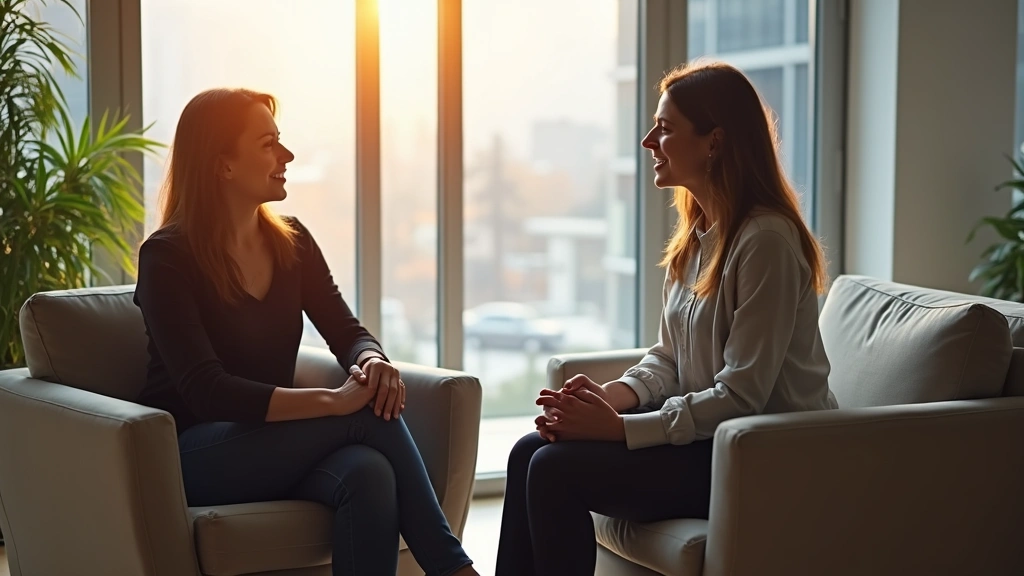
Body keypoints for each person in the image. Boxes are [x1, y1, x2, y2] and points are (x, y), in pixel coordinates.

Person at [494, 60, 839, 576]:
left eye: (666, 128)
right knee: (529, 451)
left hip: (764, 458)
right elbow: (667, 359)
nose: (648, 141)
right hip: (711, 443)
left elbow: (742, 396)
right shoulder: (698, 238)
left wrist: (621, 433)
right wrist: (610, 399)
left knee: (553, 470)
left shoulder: (765, 241)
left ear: (714, 142)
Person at [133, 88, 478, 576]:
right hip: (193, 453)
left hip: (273, 444)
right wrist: (332, 402)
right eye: (268, 143)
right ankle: (455, 569)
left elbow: (345, 330)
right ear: (223, 165)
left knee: (369, 472)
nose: (287, 155)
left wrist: (372, 360)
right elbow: (206, 391)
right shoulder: (167, 257)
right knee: (364, 418)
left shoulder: (291, 241)